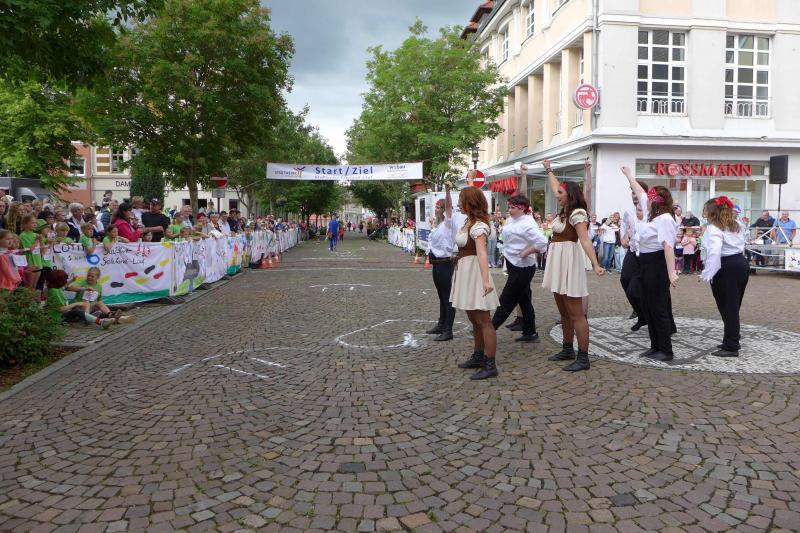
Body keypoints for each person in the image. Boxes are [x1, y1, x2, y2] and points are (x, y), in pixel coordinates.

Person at [541, 160, 605, 371]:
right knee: (564, 312)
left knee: (576, 313)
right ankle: (567, 348)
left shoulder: (577, 213)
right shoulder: (564, 211)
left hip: (568, 262)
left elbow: (585, 240)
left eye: (561, 193)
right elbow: (555, 186)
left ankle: (583, 357)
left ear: (569, 194)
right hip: (558, 261)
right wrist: (549, 170)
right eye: (558, 192)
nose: (557, 195)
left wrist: (596, 264)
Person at [621, 166, 678, 362]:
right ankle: (655, 346)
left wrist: (671, 272)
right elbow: (639, 191)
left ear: (657, 202)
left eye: (650, 198)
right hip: (644, 263)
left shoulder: (665, 219)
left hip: (657, 264)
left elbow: (668, 246)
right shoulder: (649, 214)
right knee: (649, 305)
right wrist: (629, 175)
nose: (645, 200)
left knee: (659, 308)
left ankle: (666, 350)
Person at [452, 182, 500, 380]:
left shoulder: (479, 226)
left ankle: (490, 363)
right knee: (474, 318)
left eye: (461, 200)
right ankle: (478, 355)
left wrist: (486, 281)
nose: (458, 204)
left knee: (484, 320)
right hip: (466, 271)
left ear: (469, 203)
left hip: (475, 273)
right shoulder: (469, 222)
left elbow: (482, 253)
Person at [490, 194, 548, 343]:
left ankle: (489, 329)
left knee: (506, 299)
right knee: (524, 299)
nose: (510, 210)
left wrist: (526, 252)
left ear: (522, 209)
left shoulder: (528, 224)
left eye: (513, 208)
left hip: (523, 267)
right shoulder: (511, 220)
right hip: (512, 263)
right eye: (509, 207)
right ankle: (530, 332)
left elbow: (542, 242)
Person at [700, 196, 749, 357]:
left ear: (713, 212)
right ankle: (732, 337)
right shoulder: (737, 225)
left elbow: (714, 251)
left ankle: (731, 346)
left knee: (728, 306)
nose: (704, 213)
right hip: (740, 263)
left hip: (726, 266)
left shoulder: (714, 228)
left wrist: (708, 272)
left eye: (706, 210)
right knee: (732, 305)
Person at [426, 184, 465, 342]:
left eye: (438, 207)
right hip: (436, 264)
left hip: (445, 263)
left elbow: (449, 207)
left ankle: (448, 330)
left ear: (443, 209)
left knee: (447, 297)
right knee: (441, 296)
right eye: (436, 207)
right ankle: (441, 324)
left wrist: (448, 192)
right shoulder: (438, 225)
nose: (436, 210)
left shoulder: (449, 223)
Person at [45, 270, 115, 329]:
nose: (66, 281)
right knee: (77, 312)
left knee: (81, 312)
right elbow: (60, 309)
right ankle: (101, 321)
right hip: (57, 318)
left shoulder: (56, 289)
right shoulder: (55, 292)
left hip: (62, 315)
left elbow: (64, 287)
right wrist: (76, 304)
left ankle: (103, 317)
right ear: (59, 281)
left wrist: (72, 281)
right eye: (65, 279)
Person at [620, 183, 647, 329]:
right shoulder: (628, 212)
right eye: (632, 193)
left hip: (647, 253)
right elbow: (624, 226)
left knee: (645, 288)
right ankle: (640, 313)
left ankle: (665, 323)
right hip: (632, 250)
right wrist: (623, 237)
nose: (635, 196)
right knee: (625, 279)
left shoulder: (652, 211)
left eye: (637, 193)